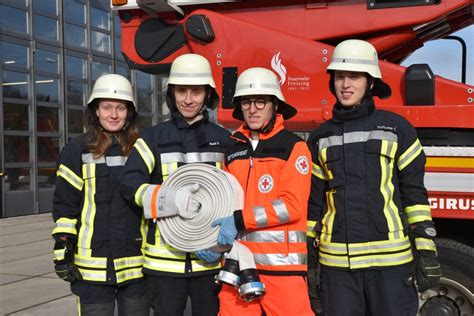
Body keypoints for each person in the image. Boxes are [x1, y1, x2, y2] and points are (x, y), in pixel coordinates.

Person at [306, 39, 442, 316]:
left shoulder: (397, 129)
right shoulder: (320, 137)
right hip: (337, 269)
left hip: (391, 266)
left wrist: (426, 251)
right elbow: (314, 204)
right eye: (340, 77)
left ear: (370, 82)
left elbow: (414, 195)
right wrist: (308, 258)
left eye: (354, 77)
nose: (345, 84)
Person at [119, 53, 231, 316]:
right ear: (172, 95)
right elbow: (129, 183)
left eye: (196, 91)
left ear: (207, 95)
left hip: (210, 260)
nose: (189, 99)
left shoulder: (224, 139)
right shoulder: (153, 138)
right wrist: (168, 200)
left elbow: (237, 192)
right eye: (182, 91)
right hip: (164, 264)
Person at [201, 67, 314, 315]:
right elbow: (224, 203)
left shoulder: (294, 147)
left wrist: (240, 219)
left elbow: (291, 206)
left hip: (283, 270)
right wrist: (211, 242)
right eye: (246, 102)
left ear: (275, 104)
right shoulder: (232, 149)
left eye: (260, 102)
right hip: (238, 265)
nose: (252, 109)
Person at [52, 74, 149, 315]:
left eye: (120, 108)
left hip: (136, 264)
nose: (113, 115)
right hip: (92, 268)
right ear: (96, 110)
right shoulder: (76, 150)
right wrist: (62, 250)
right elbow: (65, 206)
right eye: (106, 107)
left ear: (130, 112)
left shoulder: (143, 148)